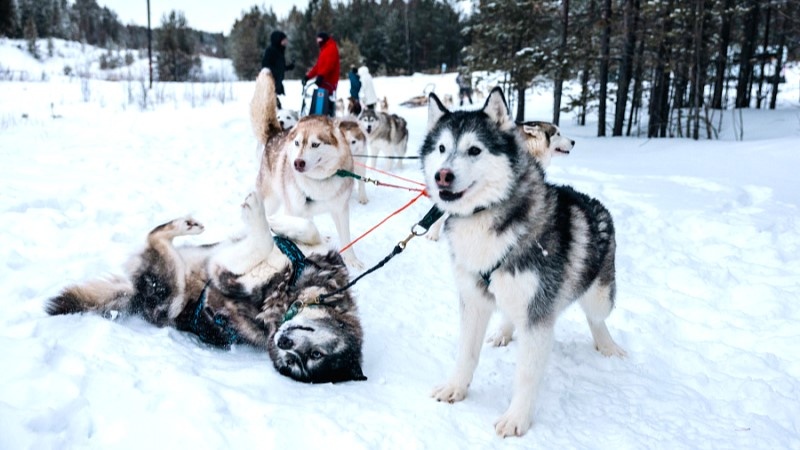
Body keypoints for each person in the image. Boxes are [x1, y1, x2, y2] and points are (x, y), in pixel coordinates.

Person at [304, 32, 340, 116]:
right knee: (320, 104)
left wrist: (321, 76)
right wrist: (308, 76)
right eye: (317, 40)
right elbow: (318, 66)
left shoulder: (331, 48)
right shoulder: (324, 50)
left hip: (329, 82)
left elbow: (329, 64)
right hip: (323, 83)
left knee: (327, 103)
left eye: (319, 40)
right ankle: (319, 117)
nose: (318, 42)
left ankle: (328, 118)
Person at [261, 30, 294, 109]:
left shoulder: (280, 51)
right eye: (283, 40)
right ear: (278, 40)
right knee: (272, 104)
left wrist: (289, 67)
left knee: (275, 104)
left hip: (277, 81)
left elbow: (279, 66)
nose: (285, 42)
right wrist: (274, 73)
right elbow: (265, 65)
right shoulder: (271, 51)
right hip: (271, 81)